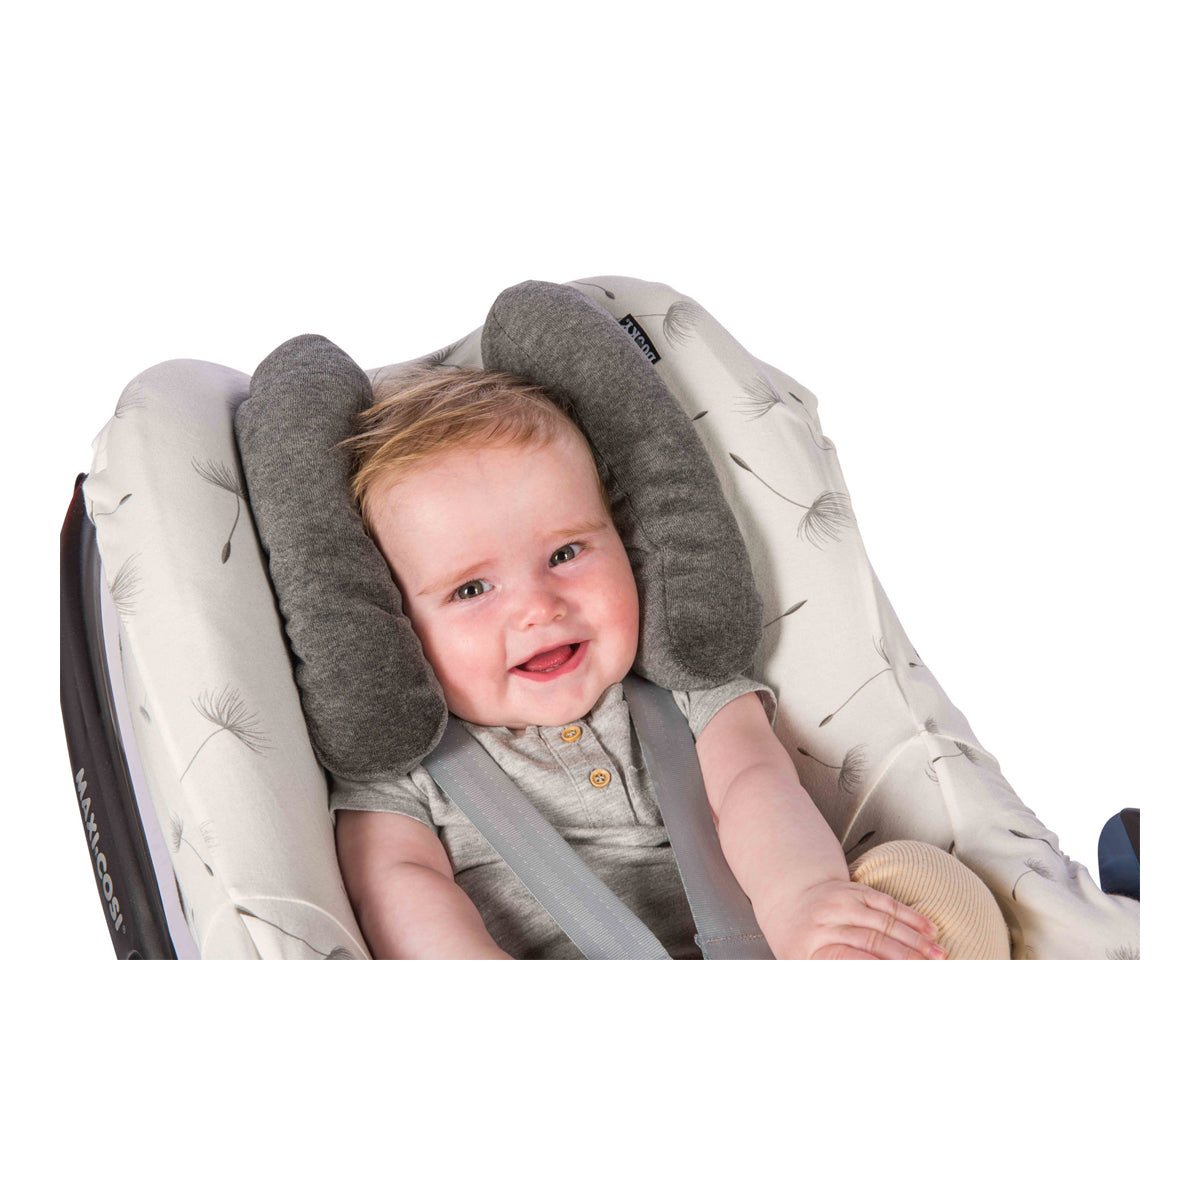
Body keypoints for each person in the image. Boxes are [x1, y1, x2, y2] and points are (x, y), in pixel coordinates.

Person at [331, 367, 1006, 960]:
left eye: (565, 554)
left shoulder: (687, 690)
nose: (538, 607)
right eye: (472, 589)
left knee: (921, 879)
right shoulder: (407, 771)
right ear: (395, 625)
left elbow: (753, 785)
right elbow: (397, 888)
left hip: (763, 949)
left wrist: (804, 900)